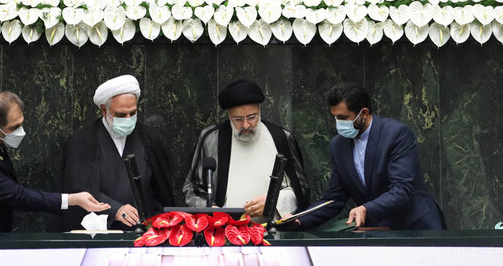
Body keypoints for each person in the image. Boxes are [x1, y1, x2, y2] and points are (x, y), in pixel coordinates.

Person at [0, 91, 109, 233]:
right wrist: (72, 199)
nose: (21, 132)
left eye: (21, 124)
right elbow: (17, 196)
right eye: (14, 127)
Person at [291, 83, 445, 230]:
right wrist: (298, 220)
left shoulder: (396, 134)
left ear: (363, 113)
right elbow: (335, 197)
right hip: (379, 231)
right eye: (335, 117)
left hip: (415, 227)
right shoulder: (338, 145)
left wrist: (366, 209)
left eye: (343, 118)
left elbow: (402, 188)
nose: (338, 123)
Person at [182, 79, 310, 222]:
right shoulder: (211, 139)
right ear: (229, 115)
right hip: (223, 236)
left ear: (260, 110)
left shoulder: (281, 138)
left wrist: (273, 203)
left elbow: (302, 189)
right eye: (238, 119)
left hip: (273, 236)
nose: (246, 125)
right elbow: (191, 189)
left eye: (251, 117)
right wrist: (210, 209)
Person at [59, 75, 174, 231]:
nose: (128, 119)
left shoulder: (150, 139)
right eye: (121, 115)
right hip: (98, 232)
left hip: (145, 232)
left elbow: (162, 190)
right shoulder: (82, 141)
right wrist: (115, 209)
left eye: (132, 113)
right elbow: (78, 188)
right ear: (104, 110)